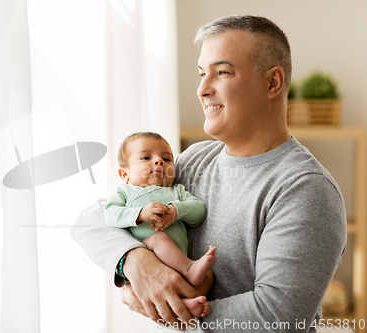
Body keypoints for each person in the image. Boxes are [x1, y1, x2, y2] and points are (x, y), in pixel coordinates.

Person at [72, 15, 346, 332]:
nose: (202, 89)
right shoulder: (193, 161)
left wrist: (163, 307)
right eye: (202, 74)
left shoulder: (306, 190)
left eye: (222, 72)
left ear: (272, 82)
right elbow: (91, 219)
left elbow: (276, 317)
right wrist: (136, 263)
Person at [105, 131, 216, 318]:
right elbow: (110, 214)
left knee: (210, 277)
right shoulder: (126, 191)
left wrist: (176, 211)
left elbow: (198, 211)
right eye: (146, 157)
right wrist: (140, 213)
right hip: (147, 254)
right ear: (125, 174)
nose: (159, 161)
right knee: (159, 238)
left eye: (167, 158)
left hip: (176, 265)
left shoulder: (177, 191)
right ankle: (190, 270)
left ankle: (187, 303)